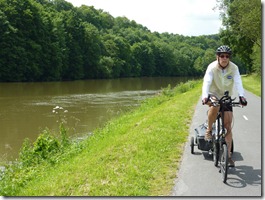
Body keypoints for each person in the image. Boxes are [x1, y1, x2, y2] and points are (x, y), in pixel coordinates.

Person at [202, 45, 247, 167]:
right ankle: (209, 130)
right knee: (215, 106)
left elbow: (238, 82)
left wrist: (242, 96)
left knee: (228, 125)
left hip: (226, 96)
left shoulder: (234, 68)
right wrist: (205, 96)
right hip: (213, 94)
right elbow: (206, 81)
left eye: (227, 56)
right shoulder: (212, 67)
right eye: (222, 56)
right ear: (217, 57)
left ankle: (228, 157)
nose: (224, 58)